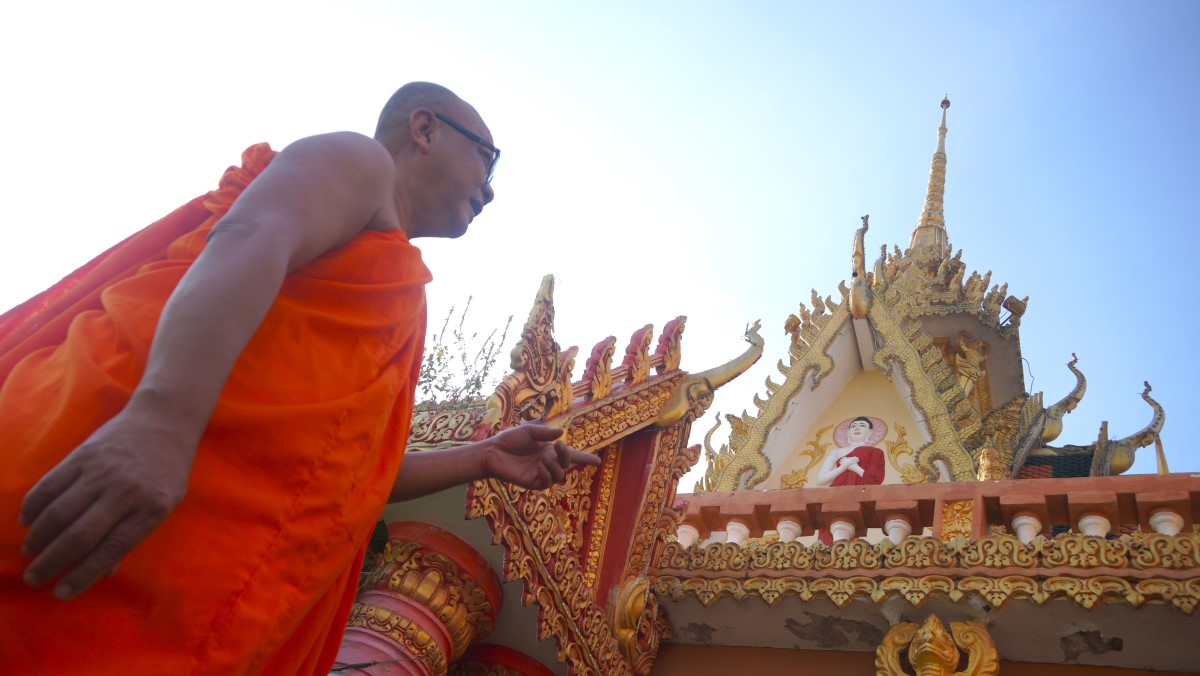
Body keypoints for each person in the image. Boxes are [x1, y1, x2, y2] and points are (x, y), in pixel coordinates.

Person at [0, 82, 599, 674]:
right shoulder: (361, 165)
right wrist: (162, 419)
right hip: (112, 479)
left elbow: (345, 472)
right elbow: (252, 235)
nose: (490, 190)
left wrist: (483, 457)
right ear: (424, 129)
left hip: (185, 580)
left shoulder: (404, 299)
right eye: (487, 160)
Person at [813, 416, 885, 545]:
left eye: (862, 425)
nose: (857, 428)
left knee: (850, 529)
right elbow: (821, 480)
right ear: (848, 433)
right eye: (853, 426)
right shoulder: (836, 452)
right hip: (836, 494)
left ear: (870, 432)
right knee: (831, 529)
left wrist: (855, 467)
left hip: (859, 495)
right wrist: (843, 467)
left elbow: (875, 480)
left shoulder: (876, 452)